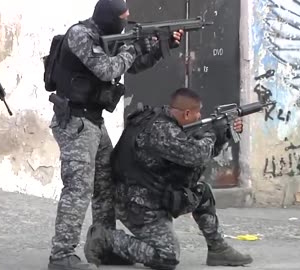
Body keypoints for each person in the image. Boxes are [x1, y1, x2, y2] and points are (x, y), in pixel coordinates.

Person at [46, 0, 184, 269]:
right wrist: (134, 47)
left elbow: (133, 65)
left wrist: (159, 47)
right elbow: (108, 69)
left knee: (105, 185)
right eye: (123, 17)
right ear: (109, 17)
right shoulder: (80, 35)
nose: (126, 21)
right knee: (78, 188)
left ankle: (105, 244)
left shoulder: (108, 36)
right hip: (75, 122)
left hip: (93, 121)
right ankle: (61, 255)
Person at [84, 88, 253, 269]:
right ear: (187, 113)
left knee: (201, 193)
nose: (200, 117)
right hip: (136, 203)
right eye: (198, 113)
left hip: (149, 195)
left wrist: (223, 136)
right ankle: (104, 237)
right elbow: (196, 154)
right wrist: (214, 133)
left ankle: (218, 249)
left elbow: (193, 158)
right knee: (167, 256)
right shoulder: (162, 130)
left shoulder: (164, 120)